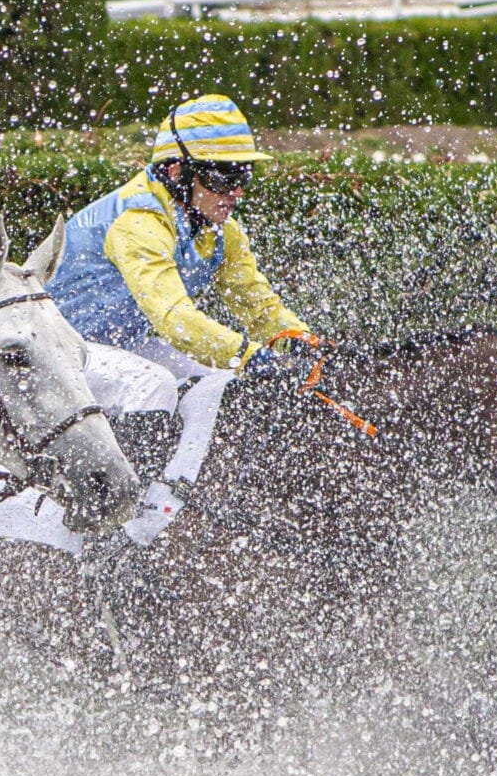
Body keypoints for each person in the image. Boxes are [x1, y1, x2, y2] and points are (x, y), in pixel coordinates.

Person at [48, 93, 312, 502]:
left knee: (218, 380)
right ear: (175, 171)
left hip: (113, 345)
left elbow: (259, 306)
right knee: (153, 385)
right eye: (223, 178)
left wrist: (298, 339)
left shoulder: (220, 231)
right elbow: (176, 321)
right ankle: (112, 516)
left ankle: (172, 497)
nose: (236, 192)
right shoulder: (138, 223)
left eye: (243, 177)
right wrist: (247, 353)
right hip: (53, 350)